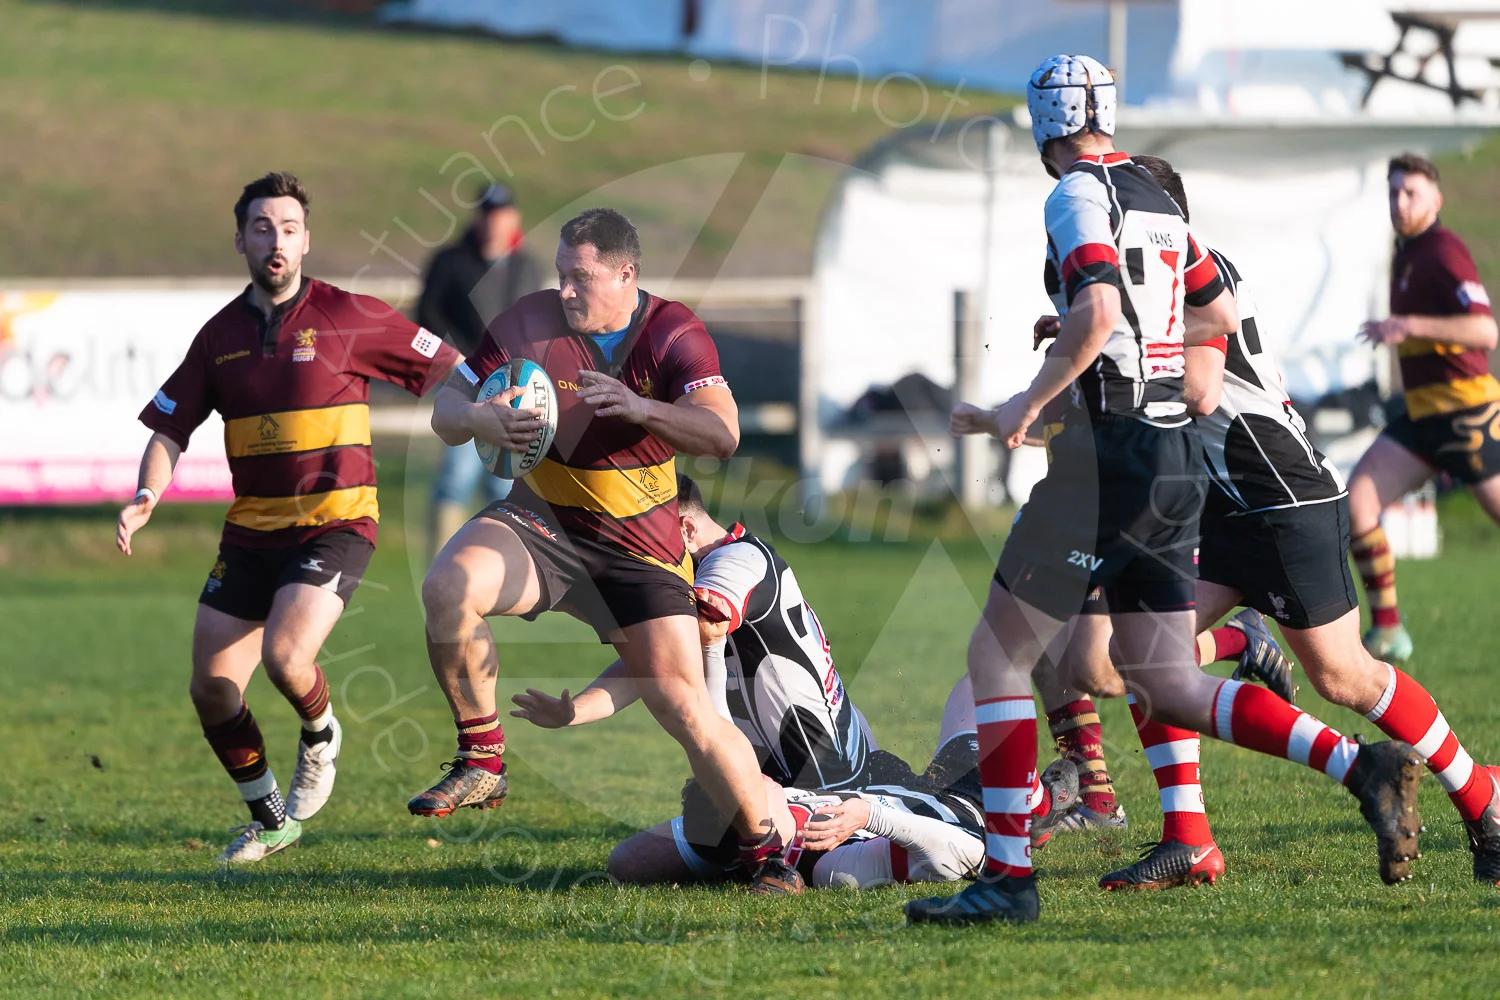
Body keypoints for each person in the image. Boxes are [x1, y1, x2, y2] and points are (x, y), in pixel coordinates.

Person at [904, 56, 1423, 927]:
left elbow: (1102, 313)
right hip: (1173, 456)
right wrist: (1114, 339)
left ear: (1045, 126)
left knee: (1000, 655)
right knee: (1160, 678)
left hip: (1102, 463)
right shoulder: (1158, 199)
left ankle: (1008, 877)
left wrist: (1018, 407)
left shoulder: (1073, 195)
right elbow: (1214, 316)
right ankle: (1358, 765)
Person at [1043, 155, 1500, 890]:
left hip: (1280, 496)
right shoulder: (1151, 286)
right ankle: (1188, 836)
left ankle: (1484, 795)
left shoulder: (1198, 278)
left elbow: (1196, 389)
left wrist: (1104, 362)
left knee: (1345, 676)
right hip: (1218, 504)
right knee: (1113, 657)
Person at [409, 208, 803, 893]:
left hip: (638, 549)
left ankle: (766, 851)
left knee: (682, 707)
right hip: (544, 525)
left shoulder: (673, 333)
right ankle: (483, 757)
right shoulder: (527, 321)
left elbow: (724, 434)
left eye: (581, 277)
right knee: (449, 586)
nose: (565, 290)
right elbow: (446, 410)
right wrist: (480, 417)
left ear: (627, 275)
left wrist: (642, 408)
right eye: (561, 274)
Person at [116, 172, 461, 863]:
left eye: (290, 229)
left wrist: (498, 403)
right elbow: (168, 431)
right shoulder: (218, 337)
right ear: (241, 239)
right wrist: (147, 496)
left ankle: (321, 731)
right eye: (263, 228)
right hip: (250, 533)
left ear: (307, 240)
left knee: (285, 656)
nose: (277, 241)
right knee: (211, 690)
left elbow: (448, 367)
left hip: (337, 521)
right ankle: (271, 817)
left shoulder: (349, 314)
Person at [508, 476, 1079, 884]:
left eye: (641, 546)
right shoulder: (702, 572)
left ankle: (1041, 797)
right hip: (779, 781)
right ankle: (763, 845)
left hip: (826, 779)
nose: (637, 561)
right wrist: (576, 710)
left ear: (681, 529)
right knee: (627, 864)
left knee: (979, 689)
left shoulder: (735, 563)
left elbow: (702, 632)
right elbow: (657, 659)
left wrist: (579, 595)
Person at [1347, 153, 1500, 662]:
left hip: (1468, 416)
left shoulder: (1442, 251)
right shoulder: (1407, 251)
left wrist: (1410, 326)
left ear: (1436, 199)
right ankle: (1388, 630)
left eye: (1410, 192)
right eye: (1393, 192)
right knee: (1358, 502)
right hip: (1422, 417)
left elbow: (1484, 330)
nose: (1399, 202)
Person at [417, 183, 544, 551]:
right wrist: (457, 358)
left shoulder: (526, 267)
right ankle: (441, 567)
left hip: (515, 386)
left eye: (501, 213)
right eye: (488, 213)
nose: (494, 222)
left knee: (504, 481)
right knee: (456, 478)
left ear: (513, 218)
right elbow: (428, 315)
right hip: (466, 383)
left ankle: (498, 565)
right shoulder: (451, 263)